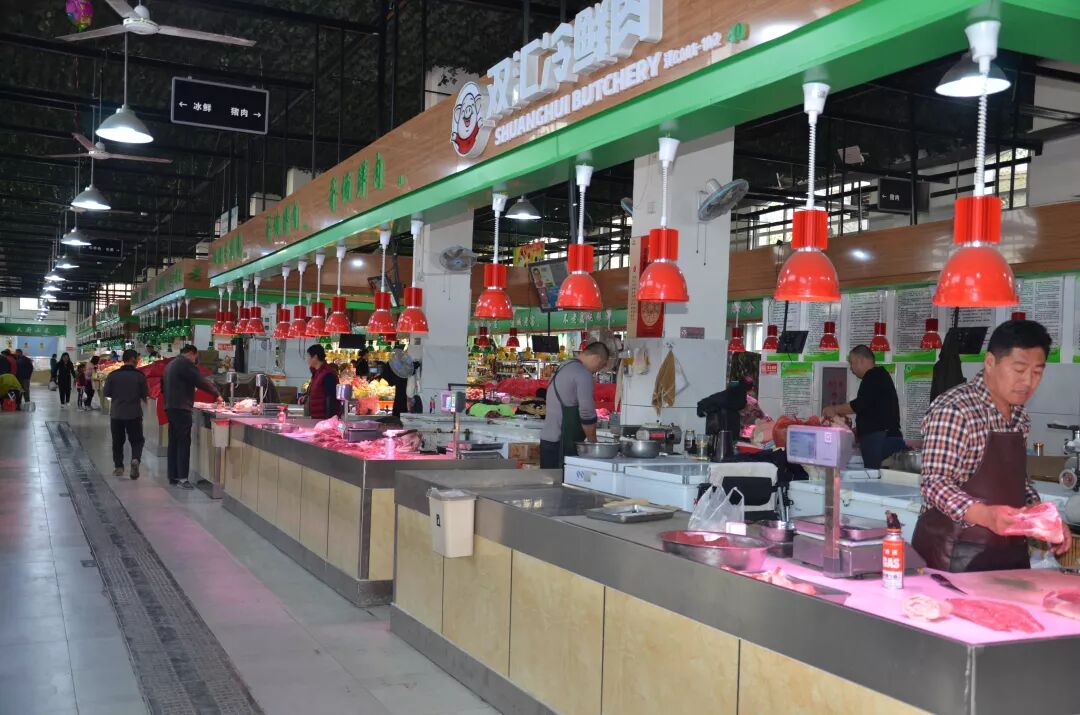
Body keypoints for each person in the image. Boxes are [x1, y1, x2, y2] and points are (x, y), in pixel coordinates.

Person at [913, 320, 1072, 572]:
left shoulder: (1019, 416)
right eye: (1019, 369)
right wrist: (987, 515)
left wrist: (1040, 517)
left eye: (1037, 373)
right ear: (990, 362)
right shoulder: (956, 409)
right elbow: (934, 483)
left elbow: (1017, 483)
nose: (1027, 381)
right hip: (954, 554)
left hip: (1008, 554)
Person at [822, 345, 904, 468]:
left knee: (878, 477)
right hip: (884, 438)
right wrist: (856, 430)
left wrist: (833, 409)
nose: (851, 368)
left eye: (852, 363)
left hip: (881, 440)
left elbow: (860, 404)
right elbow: (872, 410)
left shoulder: (873, 375)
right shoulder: (878, 376)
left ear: (861, 360)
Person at [540, 341, 610, 469]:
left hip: (547, 440)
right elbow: (587, 413)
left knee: (550, 480)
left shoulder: (563, 366)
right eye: (601, 365)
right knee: (564, 482)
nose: (598, 370)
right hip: (563, 444)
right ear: (597, 358)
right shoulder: (583, 374)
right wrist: (593, 443)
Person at [162, 345, 221, 489]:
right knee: (183, 443)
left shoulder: (170, 364)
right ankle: (183, 479)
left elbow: (163, 387)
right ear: (191, 353)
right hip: (181, 408)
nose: (195, 360)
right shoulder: (185, 364)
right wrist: (217, 394)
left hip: (170, 407)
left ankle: (173, 476)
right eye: (195, 357)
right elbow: (200, 381)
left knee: (174, 442)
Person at [103, 349, 148, 479]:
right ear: (133, 359)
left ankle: (118, 467)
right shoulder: (140, 376)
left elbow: (106, 393)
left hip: (117, 413)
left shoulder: (113, 375)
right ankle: (135, 459)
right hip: (134, 413)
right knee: (137, 440)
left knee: (117, 441)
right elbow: (145, 394)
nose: (138, 361)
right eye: (137, 359)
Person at [306, 344, 339, 420]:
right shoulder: (317, 373)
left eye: (308, 356)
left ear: (315, 357)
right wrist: (306, 397)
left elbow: (331, 398)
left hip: (324, 419)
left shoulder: (328, 374)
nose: (307, 359)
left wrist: (329, 421)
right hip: (316, 417)